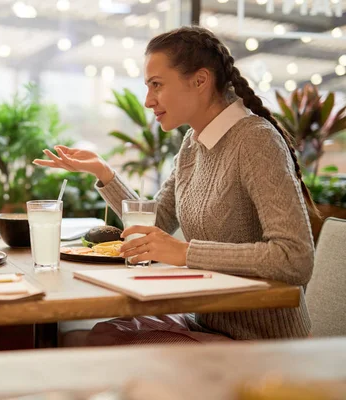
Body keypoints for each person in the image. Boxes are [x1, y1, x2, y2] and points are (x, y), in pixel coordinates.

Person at [34, 26, 315, 345]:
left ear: (200, 80)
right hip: (207, 321)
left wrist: (185, 252)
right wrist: (104, 172)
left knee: (100, 342)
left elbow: (296, 258)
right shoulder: (193, 145)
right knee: (99, 332)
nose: (147, 100)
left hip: (260, 340)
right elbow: (157, 219)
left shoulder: (256, 141)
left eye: (156, 85)